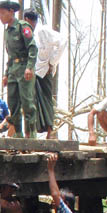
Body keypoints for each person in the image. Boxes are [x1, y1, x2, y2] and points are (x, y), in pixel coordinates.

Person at [0, 0, 37, 138]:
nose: (1, 17)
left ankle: (31, 134)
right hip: (13, 69)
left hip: (25, 68)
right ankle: (18, 133)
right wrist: (6, 74)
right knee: (13, 103)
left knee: (27, 102)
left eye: (3, 13)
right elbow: (11, 55)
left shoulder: (22, 26)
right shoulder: (8, 32)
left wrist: (30, 67)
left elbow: (32, 47)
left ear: (11, 12)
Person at [23, 9, 63, 138]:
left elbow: (63, 41)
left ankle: (50, 131)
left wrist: (53, 61)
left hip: (45, 70)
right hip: (31, 71)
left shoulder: (44, 31)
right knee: (30, 102)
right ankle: (30, 132)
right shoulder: (26, 34)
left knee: (46, 100)